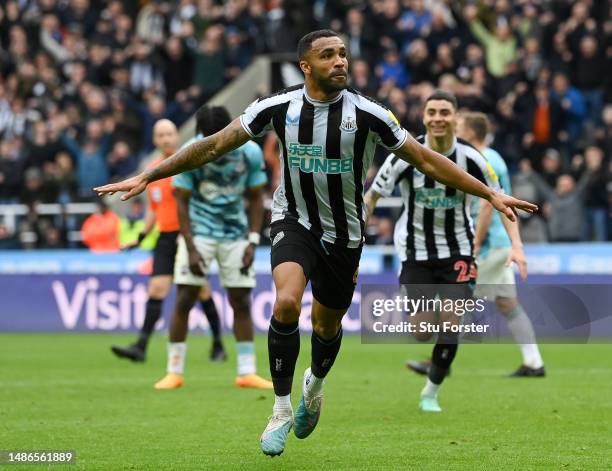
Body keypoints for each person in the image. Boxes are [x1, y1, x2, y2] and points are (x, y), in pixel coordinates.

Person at [94, 30, 537, 457]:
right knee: (285, 303)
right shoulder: (276, 107)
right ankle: (280, 409)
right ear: (306, 66)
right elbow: (213, 146)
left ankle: (315, 385)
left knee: (327, 328)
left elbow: (425, 159)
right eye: (328, 55)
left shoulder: (370, 115)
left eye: (343, 53)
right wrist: (150, 173)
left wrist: (489, 193)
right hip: (293, 220)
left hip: (345, 234)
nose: (340, 60)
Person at [365, 91, 527, 413]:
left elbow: (501, 201)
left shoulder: (473, 158)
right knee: (423, 332)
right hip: (416, 252)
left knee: (453, 324)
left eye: (445, 112)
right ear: (424, 117)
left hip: (459, 251)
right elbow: (372, 198)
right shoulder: (403, 155)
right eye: (432, 112)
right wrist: (353, 237)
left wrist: (517, 245)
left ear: (455, 118)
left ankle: (430, 392)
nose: (438, 118)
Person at [404, 111, 545, 378]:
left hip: (487, 244)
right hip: (500, 243)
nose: (454, 129)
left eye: (460, 126)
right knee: (507, 303)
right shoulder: (495, 157)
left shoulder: (481, 158)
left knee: (451, 299)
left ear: (471, 133)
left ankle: (439, 363)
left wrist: (475, 245)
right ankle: (534, 362)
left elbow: (487, 205)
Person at [153, 105, 272, 391]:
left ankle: (246, 372)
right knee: (185, 297)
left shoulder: (249, 152)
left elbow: (256, 198)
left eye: (215, 138)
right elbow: (181, 201)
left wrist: (253, 240)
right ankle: (174, 371)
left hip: (235, 235)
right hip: (200, 233)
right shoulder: (191, 151)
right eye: (206, 138)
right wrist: (191, 247)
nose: (212, 146)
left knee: (241, 301)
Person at [111, 119, 226, 363]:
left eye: (170, 134)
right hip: (165, 237)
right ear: (155, 140)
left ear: (177, 136)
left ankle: (218, 345)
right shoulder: (152, 171)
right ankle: (140, 347)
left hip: (189, 236)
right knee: (157, 289)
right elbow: (154, 210)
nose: (166, 139)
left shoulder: (190, 163)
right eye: (161, 135)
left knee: (202, 291)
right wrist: (140, 237)